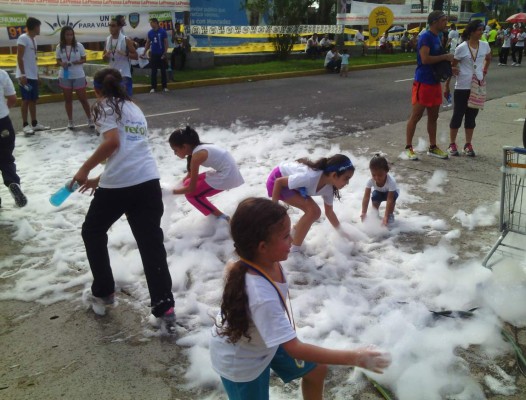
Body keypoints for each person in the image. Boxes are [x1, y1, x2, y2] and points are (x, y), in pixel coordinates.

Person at [209, 197, 391, 400]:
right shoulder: (260, 296)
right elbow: (294, 349)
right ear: (262, 247)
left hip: (264, 340)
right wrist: (355, 357)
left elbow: (232, 270)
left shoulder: (256, 261)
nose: (293, 238)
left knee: (316, 369)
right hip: (241, 363)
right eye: (286, 236)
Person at [71, 68, 176, 332]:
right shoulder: (133, 107)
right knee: (151, 243)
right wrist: (101, 178)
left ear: (96, 90)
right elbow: (129, 150)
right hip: (148, 180)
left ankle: (104, 292)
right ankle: (165, 307)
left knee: (92, 231)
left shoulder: (103, 106)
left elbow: (113, 143)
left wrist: (84, 170)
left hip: (121, 185)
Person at [266, 154, 354, 252]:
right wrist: (274, 209)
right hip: (276, 181)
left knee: (314, 212)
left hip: (295, 186)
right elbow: (279, 182)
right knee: (313, 211)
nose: (347, 183)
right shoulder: (310, 177)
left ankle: (293, 236)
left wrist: (342, 232)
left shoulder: (328, 189)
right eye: (346, 178)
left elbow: (329, 212)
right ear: (334, 175)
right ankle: (294, 251)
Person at [404, 11, 454, 161]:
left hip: (434, 81)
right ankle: (408, 147)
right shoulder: (425, 36)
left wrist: (449, 69)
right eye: (443, 20)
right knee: (416, 116)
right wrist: (445, 57)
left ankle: (432, 147)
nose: (446, 23)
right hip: (423, 81)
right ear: (434, 22)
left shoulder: (437, 37)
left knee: (434, 116)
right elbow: (425, 59)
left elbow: (437, 61)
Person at [169, 126, 244, 221]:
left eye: (175, 150)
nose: (175, 153)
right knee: (187, 182)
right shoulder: (198, 149)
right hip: (227, 173)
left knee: (191, 195)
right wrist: (173, 188)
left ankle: (223, 218)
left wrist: (171, 192)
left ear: (184, 146)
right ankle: (218, 217)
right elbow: (189, 177)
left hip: (228, 177)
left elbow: (191, 189)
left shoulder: (197, 156)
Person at [444, 20, 491, 157]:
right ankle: (452, 144)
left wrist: (484, 71)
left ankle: (468, 144)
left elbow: (488, 58)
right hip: (462, 86)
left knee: (471, 117)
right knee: (458, 115)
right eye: (479, 30)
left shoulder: (485, 45)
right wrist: (447, 84)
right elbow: (452, 66)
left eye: (482, 29)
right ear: (471, 32)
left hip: (477, 87)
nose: (482, 32)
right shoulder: (462, 48)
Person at [15, 17, 49, 136]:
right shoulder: (23, 38)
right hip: (25, 75)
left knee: (33, 100)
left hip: (32, 75)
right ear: (35, 27)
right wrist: (23, 74)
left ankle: (34, 124)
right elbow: (19, 57)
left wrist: (37, 75)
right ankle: (25, 125)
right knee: (25, 100)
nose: (40, 29)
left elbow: (33, 59)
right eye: (39, 26)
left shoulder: (33, 39)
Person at [55, 26, 94, 130]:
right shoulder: (59, 47)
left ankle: (90, 119)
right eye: (67, 34)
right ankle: (70, 121)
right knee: (68, 100)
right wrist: (61, 63)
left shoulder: (79, 46)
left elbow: (84, 59)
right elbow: (57, 60)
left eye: (71, 34)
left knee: (83, 99)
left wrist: (78, 62)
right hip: (65, 75)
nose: (69, 37)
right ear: (63, 35)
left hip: (78, 75)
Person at [0, 69, 27, 208]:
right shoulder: (2, 73)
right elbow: (12, 99)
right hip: (2, 122)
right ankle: (12, 183)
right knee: (6, 158)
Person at [103, 17, 137, 97]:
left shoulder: (125, 40)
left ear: (119, 27)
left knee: (126, 100)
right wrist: (105, 56)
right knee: (113, 101)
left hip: (124, 75)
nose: (111, 28)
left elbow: (136, 56)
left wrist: (125, 54)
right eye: (110, 25)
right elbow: (104, 59)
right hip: (112, 75)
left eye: (113, 26)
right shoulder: (107, 39)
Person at [360, 155, 399, 226]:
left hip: (391, 194)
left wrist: (386, 216)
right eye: (373, 175)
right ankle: (375, 213)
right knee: (374, 196)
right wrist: (363, 212)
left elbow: (389, 200)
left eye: (380, 175)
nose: (377, 177)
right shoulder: (370, 180)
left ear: (386, 171)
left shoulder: (391, 182)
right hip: (379, 192)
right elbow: (366, 197)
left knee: (392, 199)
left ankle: (390, 214)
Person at [143, 18, 169, 93]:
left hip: (161, 54)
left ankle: (164, 87)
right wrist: (144, 52)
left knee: (163, 70)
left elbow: (166, 43)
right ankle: (153, 87)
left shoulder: (163, 31)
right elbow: (148, 43)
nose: (151, 25)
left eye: (151, 23)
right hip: (154, 54)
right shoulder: (150, 32)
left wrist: (165, 53)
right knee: (153, 71)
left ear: (155, 23)